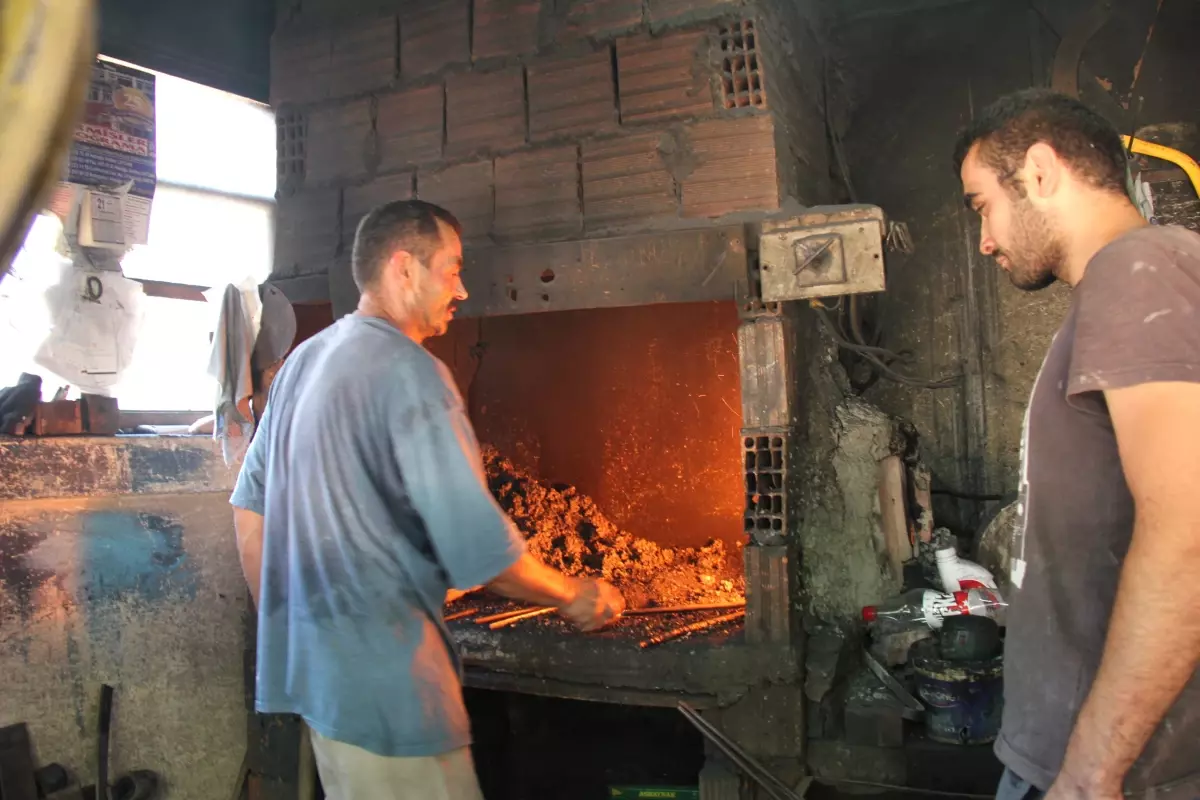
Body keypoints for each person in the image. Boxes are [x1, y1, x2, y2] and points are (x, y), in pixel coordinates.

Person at [230, 199, 626, 800]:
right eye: (452, 267)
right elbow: (481, 553)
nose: (461, 289)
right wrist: (576, 595)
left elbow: (248, 512)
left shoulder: (304, 362)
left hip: (322, 689)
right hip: (392, 695)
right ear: (404, 268)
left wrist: (295, 632)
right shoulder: (411, 373)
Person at [954, 89, 1200, 800]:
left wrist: (1091, 775)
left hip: (1106, 773)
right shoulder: (1131, 283)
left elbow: (1187, 533)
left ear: (1038, 171)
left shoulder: (1139, 268)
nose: (986, 241)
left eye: (981, 206)